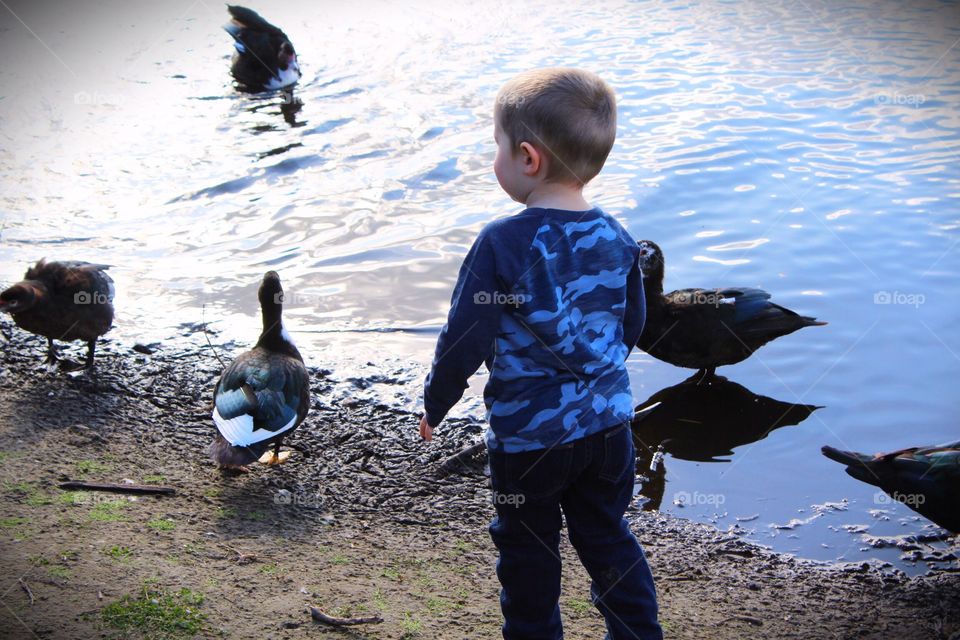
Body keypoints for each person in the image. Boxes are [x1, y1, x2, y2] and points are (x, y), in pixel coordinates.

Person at [419, 67, 662, 640]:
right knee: (606, 536)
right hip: (609, 430)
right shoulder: (619, 236)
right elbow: (632, 324)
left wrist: (437, 400)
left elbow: (464, 337)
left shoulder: (502, 242)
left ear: (527, 158)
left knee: (527, 547)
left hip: (529, 439)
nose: (494, 159)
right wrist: (597, 380)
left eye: (496, 147)